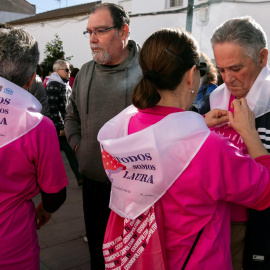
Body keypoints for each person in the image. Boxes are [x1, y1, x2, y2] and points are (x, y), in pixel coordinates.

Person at [97, 27, 270, 270]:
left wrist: (197, 123)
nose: (227, 78)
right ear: (191, 76)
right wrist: (251, 135)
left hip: (142, 256)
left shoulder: (125, 125)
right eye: (220, 69)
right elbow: (265, 192)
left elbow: (165, 141)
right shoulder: (209, 148)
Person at [64, 2, 142, 269]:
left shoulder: (148, 72)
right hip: (94, 184)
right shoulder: (84, 72)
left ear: (124, 31)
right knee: (99, 255)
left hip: (137, 190)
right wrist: (78, 147)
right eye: (89, 32)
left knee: (132, 259)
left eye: (100, 30)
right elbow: (71, 115)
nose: (93, 39)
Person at [200, 16, 270, 270]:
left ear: (262, 58)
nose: (227, 79)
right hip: (215, 225)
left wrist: (250, 136)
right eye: (221, 69)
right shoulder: (214, 99)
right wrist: (196, 127)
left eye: (236, 68)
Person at [0, 27, 68, 269]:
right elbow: (55, 193)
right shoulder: (39, 127)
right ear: (31, 77)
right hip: (12, 247)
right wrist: (46, 210)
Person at [46, 59, 82, 187]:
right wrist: (60, 127)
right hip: (61, 127)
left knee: (73, 151)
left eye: (69, 69)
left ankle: (80, 177)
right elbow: (53, 108)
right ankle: (80, 178)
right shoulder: (53, 85)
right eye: (66, 70)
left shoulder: (63, 83)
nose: (69, 72)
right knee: (70, 152)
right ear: (57, 71)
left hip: (69, 123)